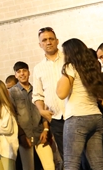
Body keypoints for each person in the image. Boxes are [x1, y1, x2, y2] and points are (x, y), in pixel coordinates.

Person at [56, 39, 103, 170]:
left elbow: (61, 93)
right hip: (95, 117)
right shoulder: (90, 69)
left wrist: (61, 77)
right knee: (98, 164)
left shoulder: (70, 67)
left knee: (71, 164)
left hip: (77, 118)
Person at [8, 62, 54, 170]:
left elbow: (43, 110)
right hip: (25, 136)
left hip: (40, 134)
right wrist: (22, 136)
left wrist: (46, 129)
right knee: (28, 167)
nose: (22, 74)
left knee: (50, 165)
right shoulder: (12, 92)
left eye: (24, 71)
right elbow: (12, 116)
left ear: (29, 73)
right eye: (18, 72)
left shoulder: (38, 90)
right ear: (15, 75)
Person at [31, 28, 66, 161]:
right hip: (56, 119)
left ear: (57, 41)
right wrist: (41, 110)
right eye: (44, 40)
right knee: (67, 158)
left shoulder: (68, 59)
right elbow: (37, 95)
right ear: (40, 45)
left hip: (76, 115)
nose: (48, 42)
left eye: (51, 39)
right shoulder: (38, 68)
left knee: (88, 157)